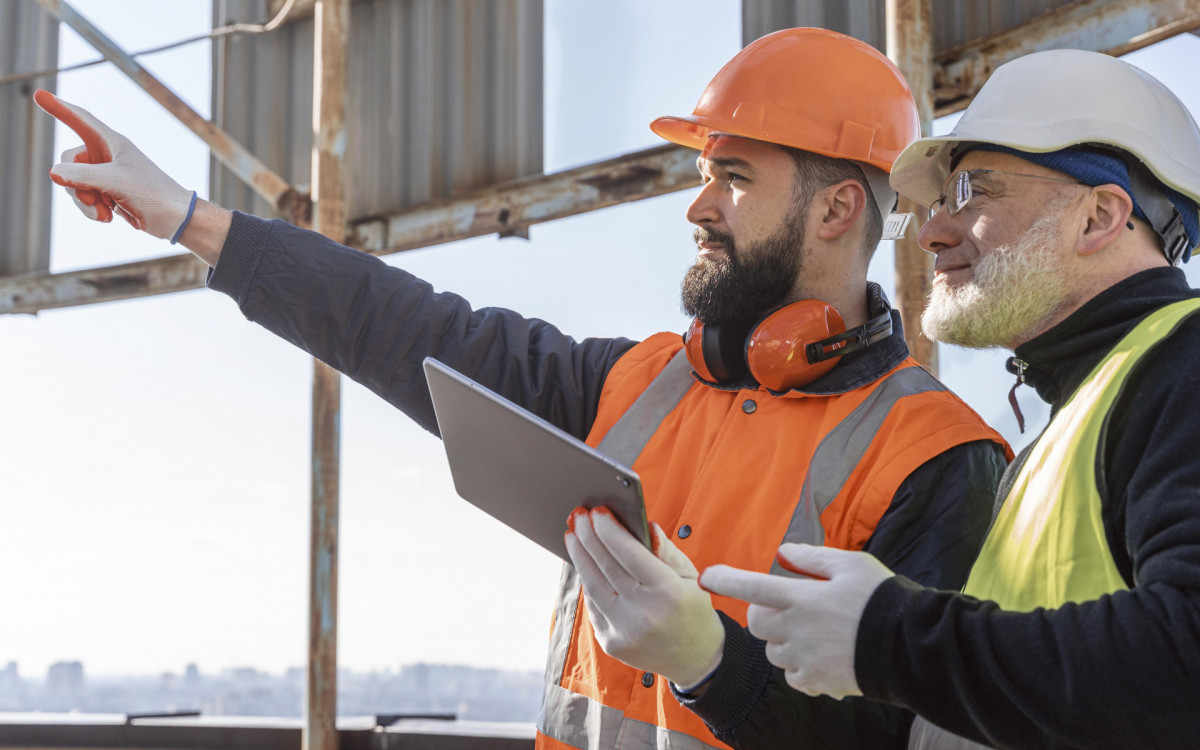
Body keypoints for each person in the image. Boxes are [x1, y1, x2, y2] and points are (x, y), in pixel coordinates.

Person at [36, 28, 1009, 750]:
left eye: (735, 178)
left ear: (839, 207)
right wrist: (188, 217)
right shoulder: (634, 385)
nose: (698, 205)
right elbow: (402, 326)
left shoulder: (935, 460)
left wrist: (716, 665)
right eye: (703, 174)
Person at [701, 47, 1200, 750]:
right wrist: (706, 664)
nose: (932, 232)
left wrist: (891, 637)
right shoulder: (1077, 423)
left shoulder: (1183, 363)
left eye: (973, 194)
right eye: (939, 203)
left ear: (1098, 218)